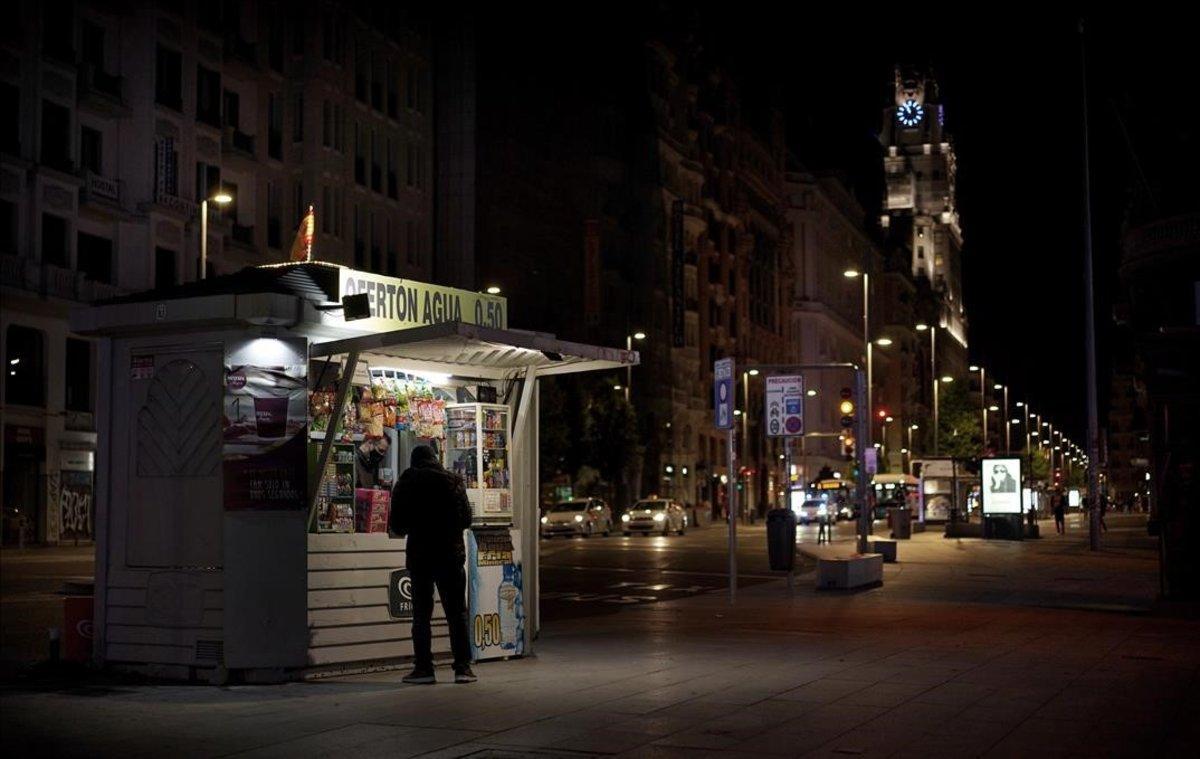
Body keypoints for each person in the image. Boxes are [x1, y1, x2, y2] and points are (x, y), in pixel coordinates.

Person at [389, 445, 475, 684]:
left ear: (414, 461)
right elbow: (467, 519)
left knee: (421, 615)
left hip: (421, 557)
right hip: (451, 555)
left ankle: (424, 668)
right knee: (457, 613)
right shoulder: (454, 481)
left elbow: (397, 524)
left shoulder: (406, 482)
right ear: (435, 459)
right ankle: (462, 668)